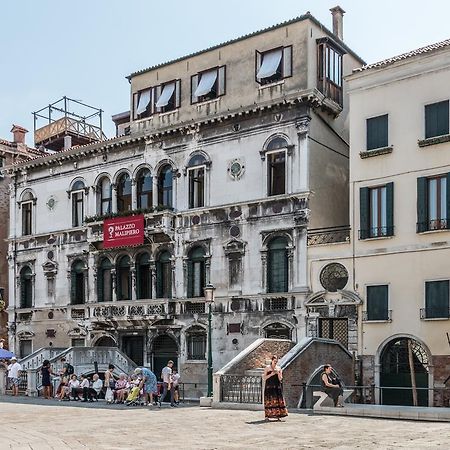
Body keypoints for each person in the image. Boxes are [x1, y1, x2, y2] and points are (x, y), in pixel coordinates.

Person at [263, 355, 288, 421]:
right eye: (274, 361)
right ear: (272, 360)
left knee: (277, 400)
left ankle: (278, 416)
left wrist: (278, 373)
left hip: (277, 386)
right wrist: (271, 374)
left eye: (276, 361)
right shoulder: (267, 367)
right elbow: (264, 378)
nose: (275, 362)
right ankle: (267, 416)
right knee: (269, 400)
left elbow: (281, 378)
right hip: (269, 386)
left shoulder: (279, 368)